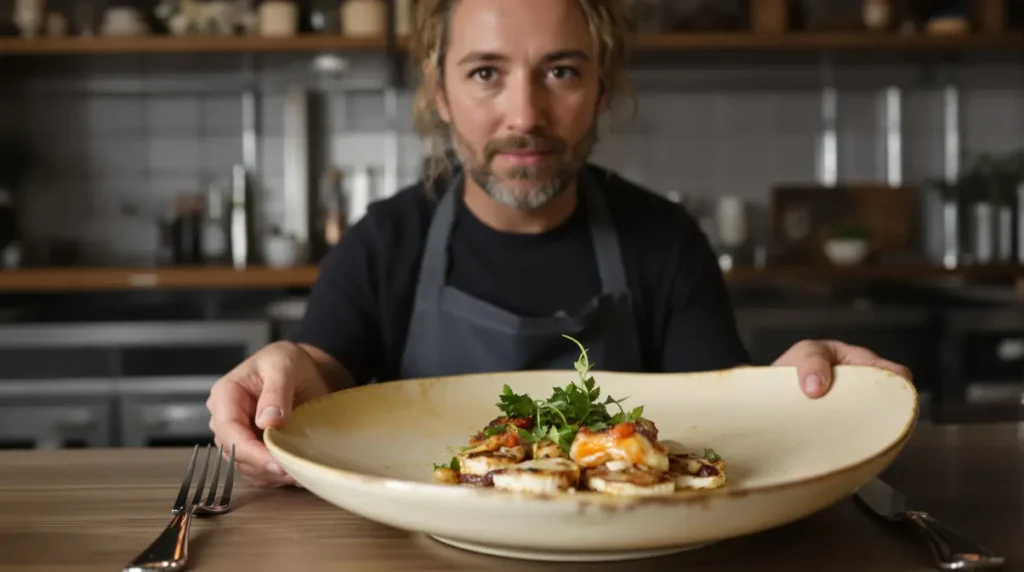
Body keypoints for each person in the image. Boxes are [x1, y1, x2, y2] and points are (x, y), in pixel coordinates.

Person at [206, 0, 913, 488]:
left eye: (562, 71)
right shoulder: (383, 243)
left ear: (602, 90)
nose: (526, 115)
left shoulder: (664, 242)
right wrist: (283, 380)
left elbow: (728, 424)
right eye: (486, 73)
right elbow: (316, 382)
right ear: (440, 91)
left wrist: (796, 401)